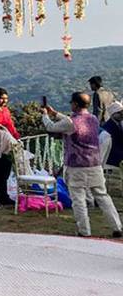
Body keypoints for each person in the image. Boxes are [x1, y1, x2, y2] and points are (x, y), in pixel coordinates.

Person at [43, 93, 123, 238]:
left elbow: (51, 127)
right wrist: (55, 113)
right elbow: (69, 121)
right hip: (94, 164)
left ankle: (84, 230)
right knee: (103, 196)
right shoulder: (93, 119)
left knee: (78, 199)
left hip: (76, 166)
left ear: (75, 104)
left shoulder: (71, 121)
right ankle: (117, 226)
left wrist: (45, 115)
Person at [103, 101, 123, 168]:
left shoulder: (119, 124)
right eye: (119, 113)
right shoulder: (108, 128)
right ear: (112, 114)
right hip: (112, 162)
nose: (121, 115)